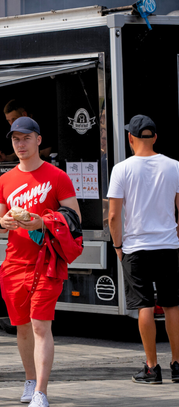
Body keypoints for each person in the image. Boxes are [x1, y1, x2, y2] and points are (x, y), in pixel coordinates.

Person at [0, 117, 81, 407]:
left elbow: (74, 219)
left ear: (38, 140)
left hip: (47, 262)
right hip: (14, 264)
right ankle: (30, 380)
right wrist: (3, 221)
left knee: (41, 325)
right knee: (21, 327)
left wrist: (41, 222)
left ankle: (41, 391)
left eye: (26, 138)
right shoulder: (5, 179)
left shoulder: (57, 176)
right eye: (15, 139)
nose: (20, 144)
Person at [108, 115, 179, 385]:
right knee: (172, 304)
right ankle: (177, 364)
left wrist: (117, 245)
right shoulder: (174, 166)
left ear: (130, 138)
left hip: (135, 247)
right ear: (156, 138)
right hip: (168, 246)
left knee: (145, 306)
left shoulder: (122, 169)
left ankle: (152, 368)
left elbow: (114, 216)